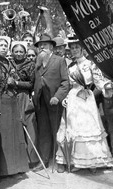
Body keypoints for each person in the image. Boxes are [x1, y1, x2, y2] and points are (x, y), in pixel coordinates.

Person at [55, 36, 113, 173]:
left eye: (77, 47)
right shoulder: (69, 66)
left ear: (82, 49)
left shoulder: (91, 64)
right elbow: (67, 84)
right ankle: (75, 161)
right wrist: (65, 98)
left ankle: (93, 162)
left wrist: (106, 86)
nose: (74, 50)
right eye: (72, 47)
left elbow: (99, 80)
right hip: (73, 99)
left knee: (89, 128)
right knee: (74, 128)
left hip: (87, 99)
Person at [0, 38, 32, 177]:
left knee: (15, 134)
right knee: (4, 135)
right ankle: (0, 171)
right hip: (2, 102)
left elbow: (16, 78)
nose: (4, 48)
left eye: (6, 46)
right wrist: (6, 82)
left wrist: (14, 81)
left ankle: (15, 168)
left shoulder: (8, 62)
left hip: (13, 101)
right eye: (1, 45)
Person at [31, 33, 70, 172]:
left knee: (57, 131)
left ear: (51, 47)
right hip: (40, 102)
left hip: (54, 102)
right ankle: (44, 161)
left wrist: (57, 97)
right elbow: (34, 81)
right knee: (44, 132)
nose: (42, 48)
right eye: (40, 46)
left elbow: (66, 82)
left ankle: (61, 161)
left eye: (45, 45)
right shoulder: (37, 62)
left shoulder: (59, 61)